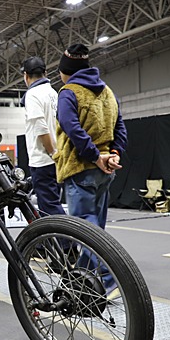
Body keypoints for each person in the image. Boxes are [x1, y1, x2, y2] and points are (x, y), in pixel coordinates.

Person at [53, 43, 126, 230]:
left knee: (85, 230)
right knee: (98, 229)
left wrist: (94, 156)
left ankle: (92, 253)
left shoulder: (68, 92)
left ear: (66, 71)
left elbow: (72, 128)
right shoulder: (108, 92)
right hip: (105, 169)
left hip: (80, 167)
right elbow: (119, 126)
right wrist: (115, 153)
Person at [20, 56, 65, 216]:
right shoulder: (53, 93)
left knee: (49, 207)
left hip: (43, 159)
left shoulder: (32, 94)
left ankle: (67, 233)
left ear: (26, 75)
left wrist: (52, 152)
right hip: (57, 158)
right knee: (53, 202)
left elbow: (41, 128)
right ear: (45, 73)